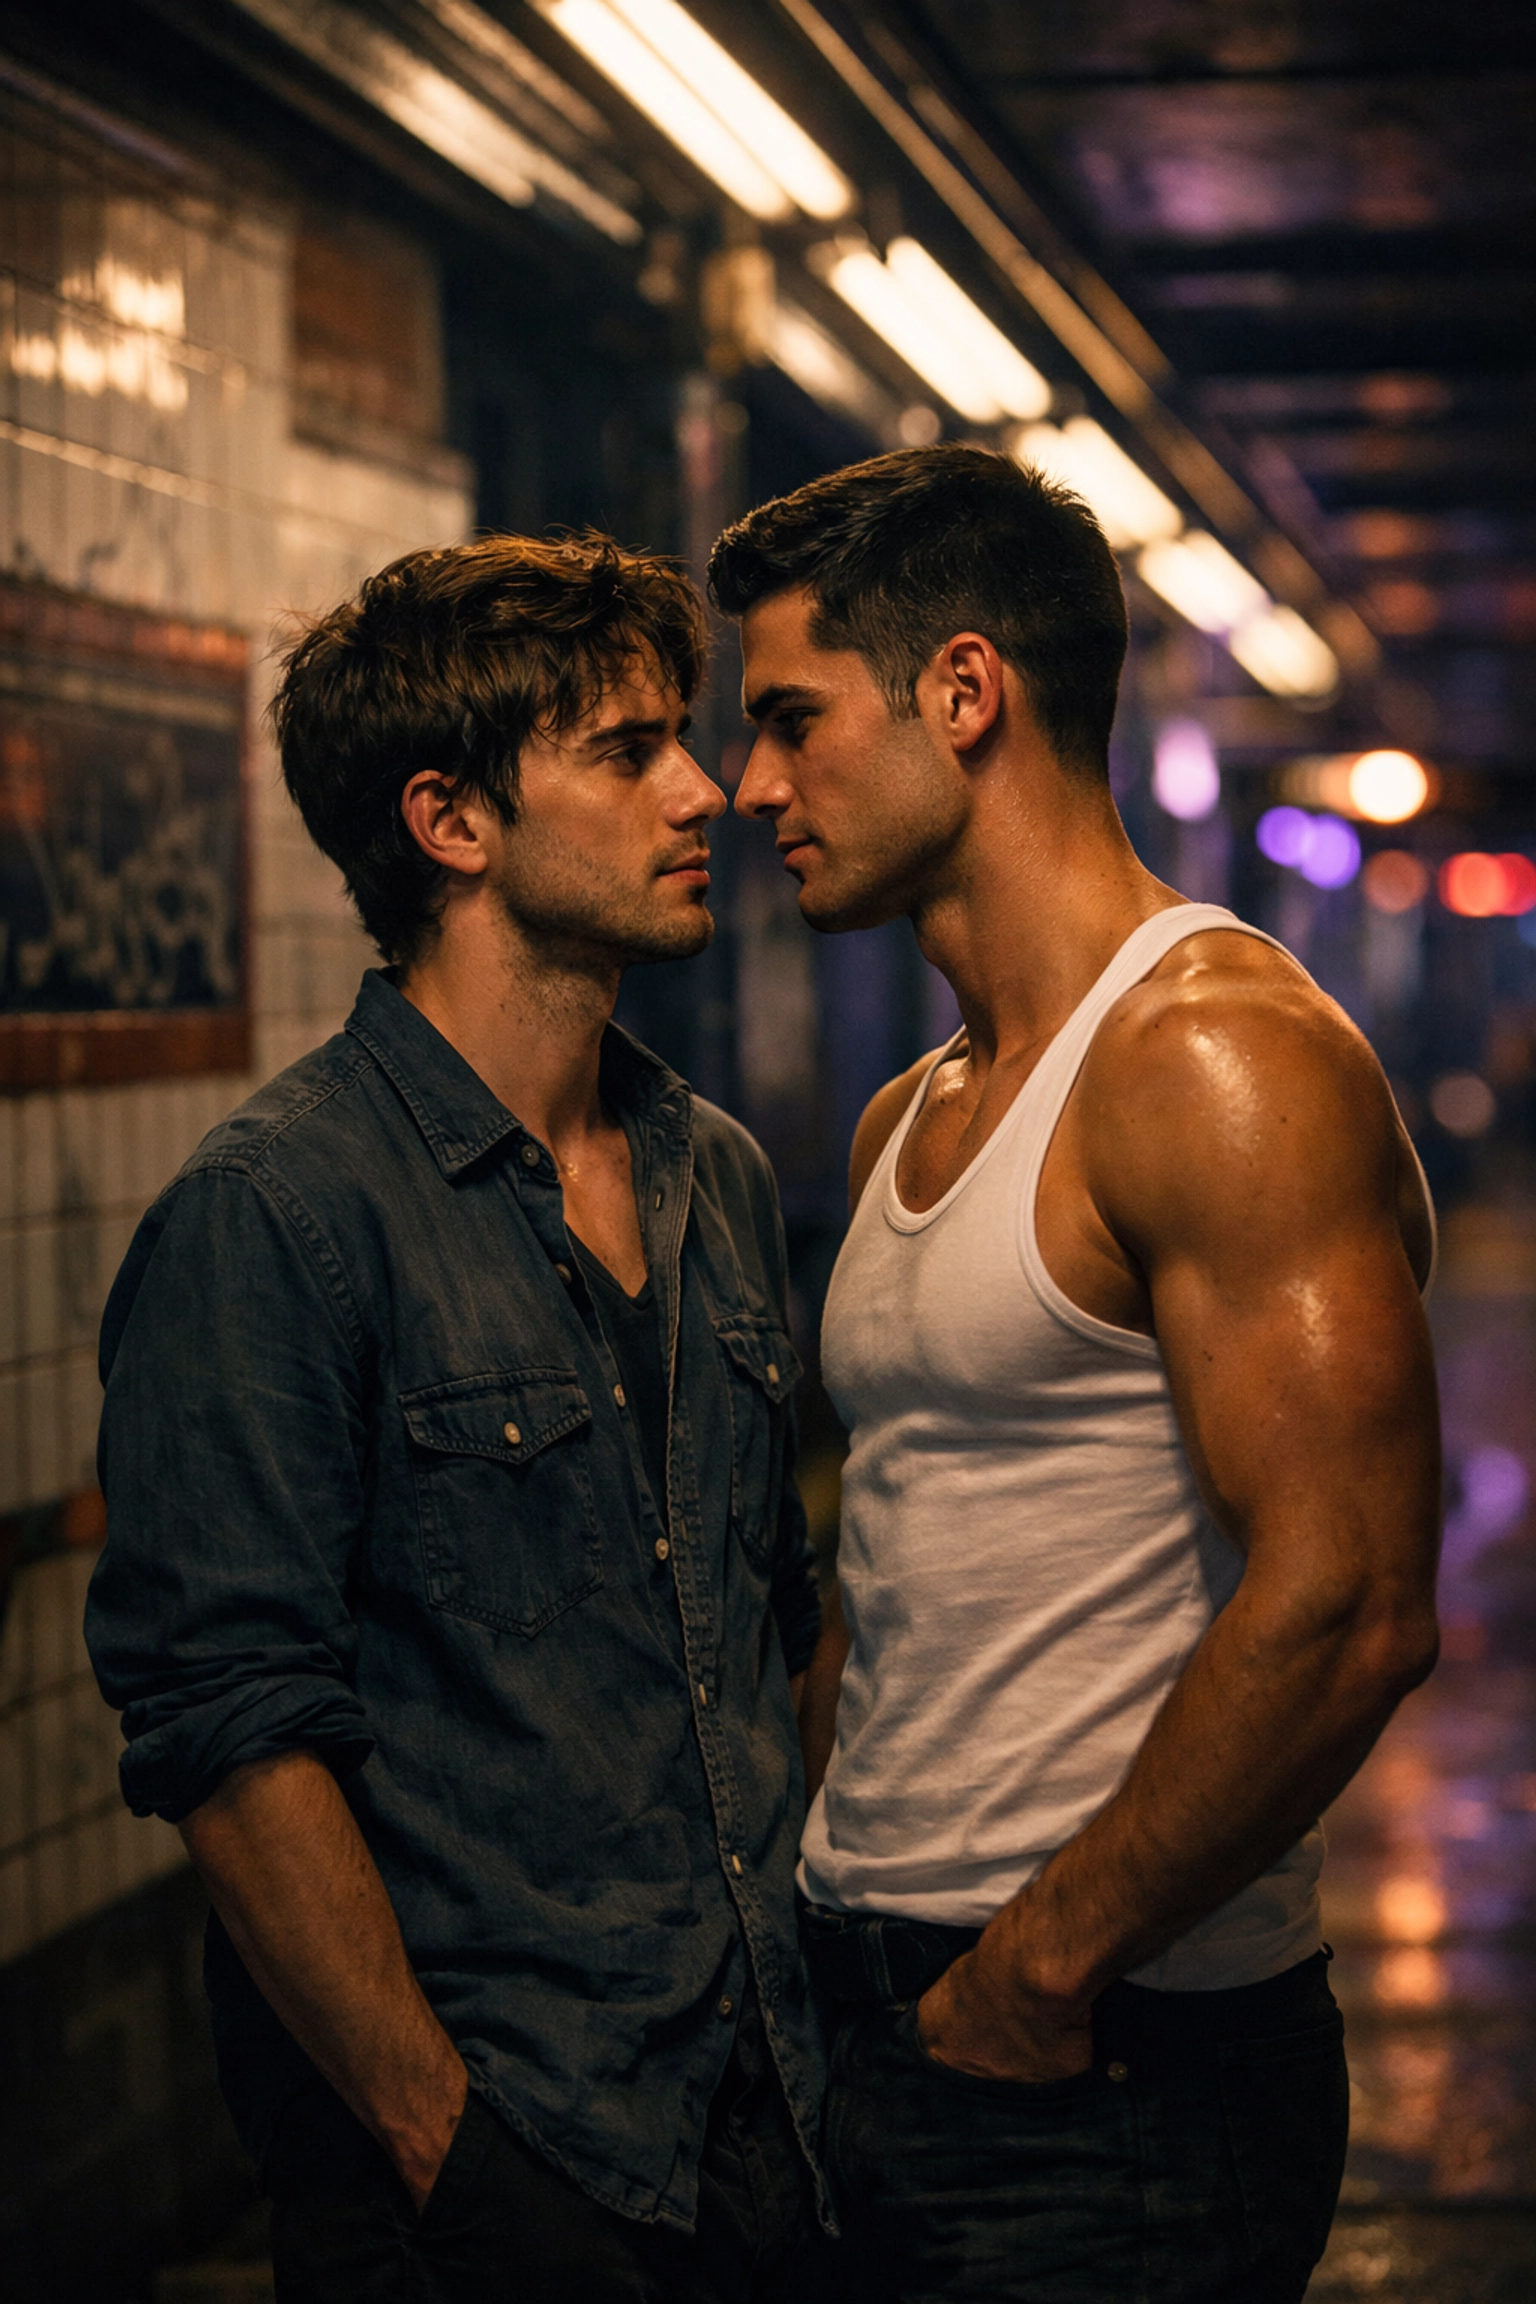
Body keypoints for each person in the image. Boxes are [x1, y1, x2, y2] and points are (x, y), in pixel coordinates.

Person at [710, 445, 1442, 2304]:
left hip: (1107, 2066)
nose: (749, 785)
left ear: (964, 692)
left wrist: (1042, 1967)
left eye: (791, 720)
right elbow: (900, 1568)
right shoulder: (909, 1111)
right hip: (887, 2015)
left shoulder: (1217, 1059)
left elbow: (1353, 1600)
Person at [85, 534, 829, 2303]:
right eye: (628, 751)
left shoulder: (713, 1175)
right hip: (492, 2179)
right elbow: (229, 1732)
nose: (703, 790)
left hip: (767, 2133)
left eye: (683, 739)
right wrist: (447, 2148)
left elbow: (774, 1624)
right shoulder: (279, 1215)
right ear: (451, 821)